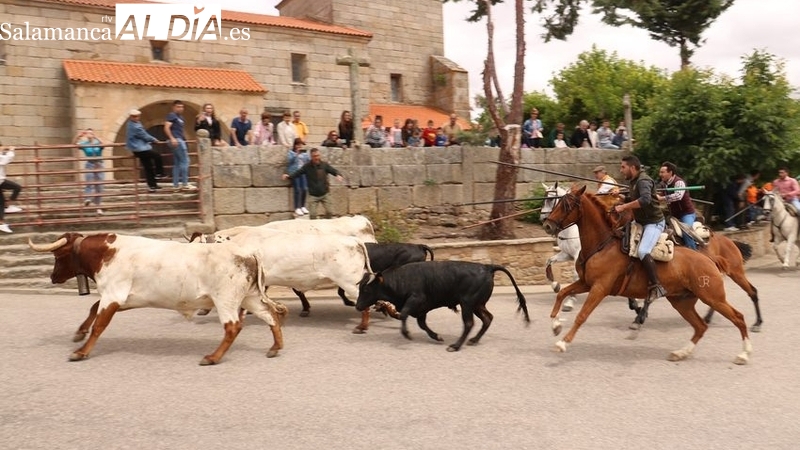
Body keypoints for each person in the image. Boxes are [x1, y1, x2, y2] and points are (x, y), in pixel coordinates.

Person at [614, 155, 667, 302]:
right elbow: (633, 199)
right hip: (640, 222)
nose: (621, 170)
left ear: (632, 167)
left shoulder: (643, 180)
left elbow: (645, 200)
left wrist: (624, 206)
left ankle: (657, 286)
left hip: (653, 223)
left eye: (623, 167)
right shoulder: (633, 181)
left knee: (643, 251)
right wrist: (621, 197)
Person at [282, 148, 344, 219]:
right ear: (311, 157)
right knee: (313, 215)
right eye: (314, 156)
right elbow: (297, 173)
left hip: (325, 193)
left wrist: (338, 174)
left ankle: (326, 225)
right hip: (313, 195)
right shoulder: (307, 167)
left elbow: (333, 170)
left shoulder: (324, 165)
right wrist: (289, 176)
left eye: (318, 156)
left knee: (330, 212)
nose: (316, 158)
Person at [656, 161, 697, 250]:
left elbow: (678, 196)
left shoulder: (679, 182)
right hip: (674, 215)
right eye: (660, 172)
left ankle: (694, 251)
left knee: (686, 232)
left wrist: (662, 198)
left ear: (670, 173)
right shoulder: (663, 184)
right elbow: (658, 193)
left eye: (662, 172)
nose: (660, 174)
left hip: (686, 214)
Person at [126, 109, 163, 193]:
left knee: (148, 167)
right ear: (131, 117)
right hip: (140, 149)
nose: (136, 118)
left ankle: (152, 185)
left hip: (139, 148)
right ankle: (159, 173)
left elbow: (142, 135)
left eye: (137, 116)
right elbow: (144, 135)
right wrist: (154, 140)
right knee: (157, 156)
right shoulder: (135, 126)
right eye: (134, 116)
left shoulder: (132, 124)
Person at [164, 100, 195, 191]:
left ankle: (175, 185)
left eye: (182, 107)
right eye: (178, 106)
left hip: (180, 140)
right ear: (173, 107)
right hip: (176, 140)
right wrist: (172, 138)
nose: (180, 108)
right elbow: (166, 127)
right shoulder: (172, 116)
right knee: (185, 161)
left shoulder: (181, 118)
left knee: (177, 163)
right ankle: (185, 183)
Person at [74, 128, 106, 214]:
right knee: (89, 182)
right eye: (88, 133)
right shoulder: (84, 144)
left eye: (91, 133)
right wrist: (78, 136)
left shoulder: (97, 142)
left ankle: (98, 206)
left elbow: (104, 144)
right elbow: (75, 144)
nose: (89, 135)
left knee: (99, 186)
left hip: (99, 164)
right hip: (90, 164)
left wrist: (96, 137)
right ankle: (87, 198)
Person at [286, 138, 310, 216]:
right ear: (295, 145)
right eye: (298, 145)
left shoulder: (304, 153)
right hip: (295, 172)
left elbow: (308, 161)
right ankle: (297, 207)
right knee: (297, 189)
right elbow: (289, 161)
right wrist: (296, 154)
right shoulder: (291, 152)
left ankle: (303, 206)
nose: (300, 146)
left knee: (304, 189)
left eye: (301, 145)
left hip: (303, 172)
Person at [0, 145, 21, 233]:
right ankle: (1, 224)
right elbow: (6, 159)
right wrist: (11, 150)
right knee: (0, 202)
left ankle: (8, 206)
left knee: (16, 187)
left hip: (1, 181)